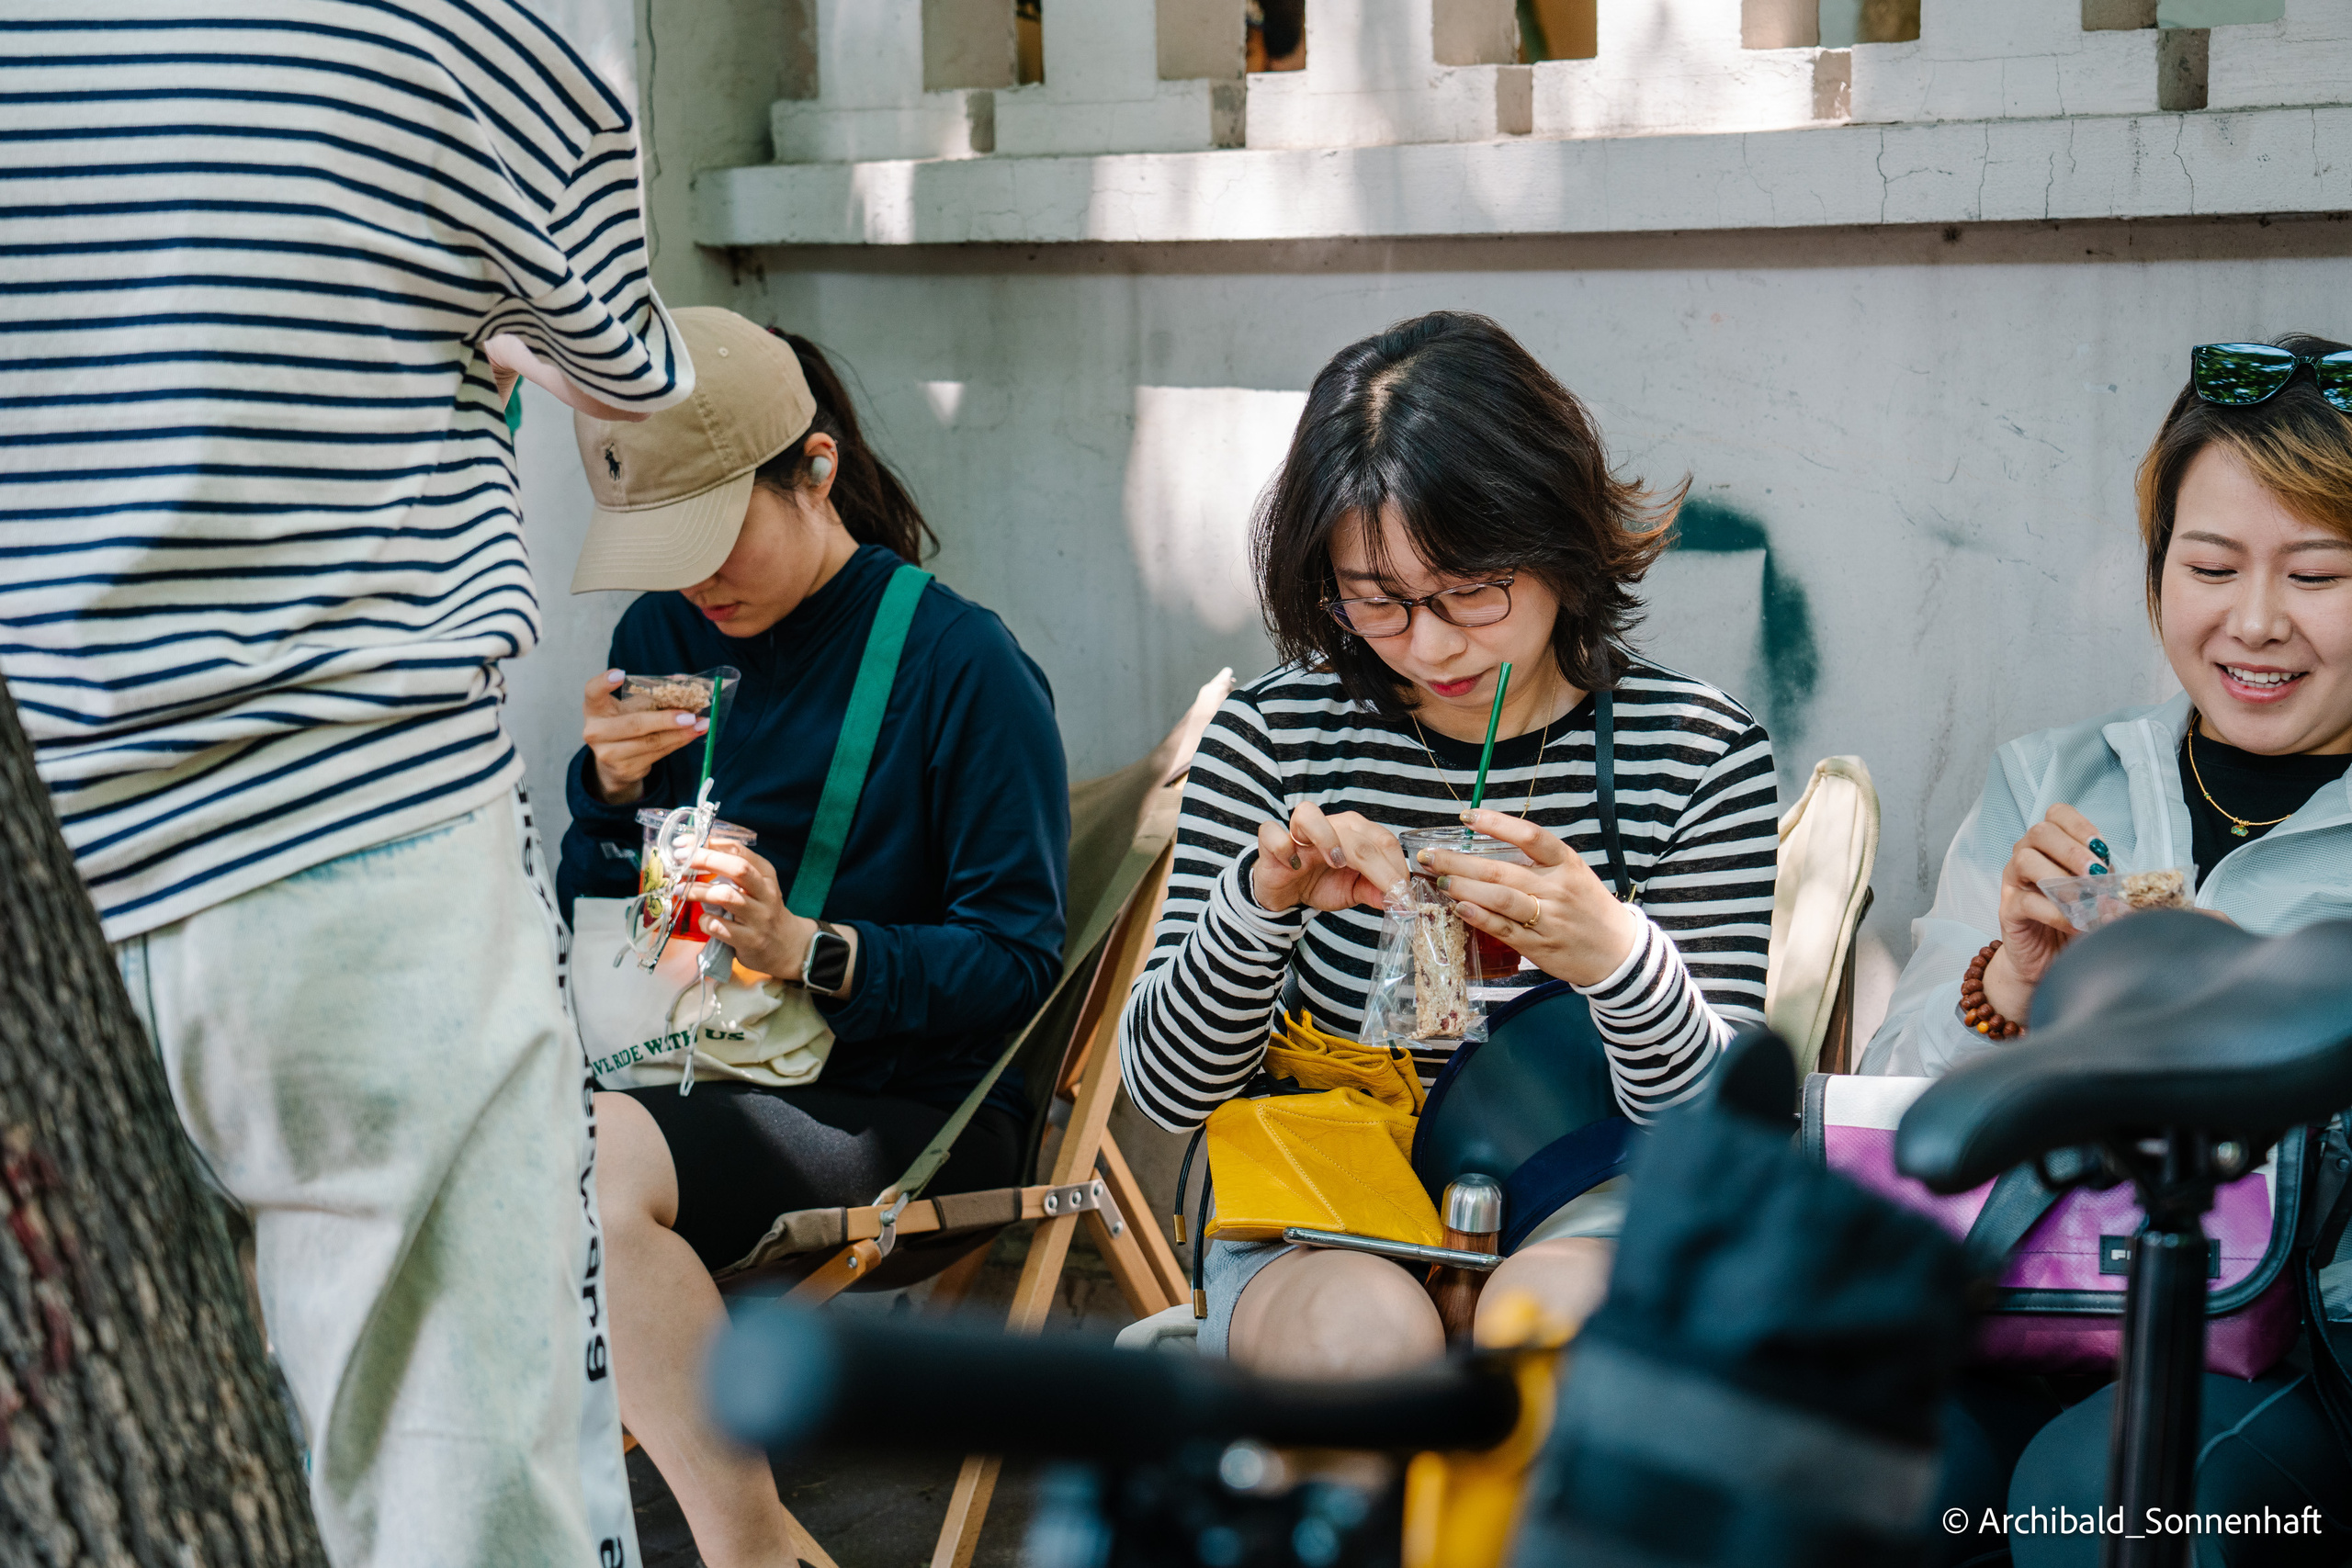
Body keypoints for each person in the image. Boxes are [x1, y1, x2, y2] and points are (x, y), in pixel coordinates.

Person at [0, 6, 687, 1566]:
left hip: (44, 864)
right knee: (456, 1490)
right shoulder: (440, 26)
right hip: (359, 831)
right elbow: (627, 360)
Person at [1118, 311, 1781, 1377]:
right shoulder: (1274, 736)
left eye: (1469, 590)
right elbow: (1165, 1089)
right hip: (1318, 1202)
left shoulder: (1693, 752)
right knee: (1364, 1342)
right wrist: (1260, 904)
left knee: (1547, 1334)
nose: (1428, 645)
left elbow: (1717, 1127)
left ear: (1556, 536)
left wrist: (1615, 955)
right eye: (1375, 602)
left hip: (1590, 1191)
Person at [555, 308, 1069, 1568]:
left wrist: (811, 947)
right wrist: (609, 803)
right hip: (693, 1066)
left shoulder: (964, 664)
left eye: (717, 534)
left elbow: (1017, 960)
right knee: (536, 1156)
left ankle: (747, 1549)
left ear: (819, 468)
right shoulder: (664, 642)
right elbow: (623, 911)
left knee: (580, 1163)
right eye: (662, 551)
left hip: (909, 1109)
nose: (697, 582)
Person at [1861, 335, 2352, 1566]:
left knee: (2095, 1493)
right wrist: (2006, 988)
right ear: (2155, 574)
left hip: (2302, 1354)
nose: (2256, 621)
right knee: (1856, 1468)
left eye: (2321, 573)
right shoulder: (2056, 779)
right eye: (2211, 564)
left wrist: (2250, 1019)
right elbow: (1895, 1109)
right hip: (2028, 1305)